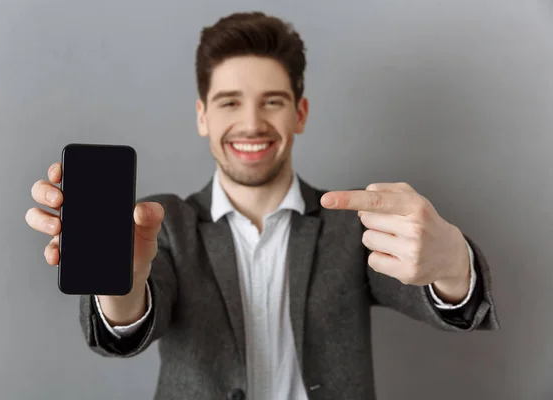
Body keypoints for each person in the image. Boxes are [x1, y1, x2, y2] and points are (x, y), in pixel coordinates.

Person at [25, 11, 500, 400]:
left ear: (300, 113)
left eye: (272, 101)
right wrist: (118, 282)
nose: (251, 124)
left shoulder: (349, 226)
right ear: (202, 116)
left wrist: (453, 264)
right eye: (229, 103)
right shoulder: (163, 225)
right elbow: (128, 326)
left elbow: (441, 297)